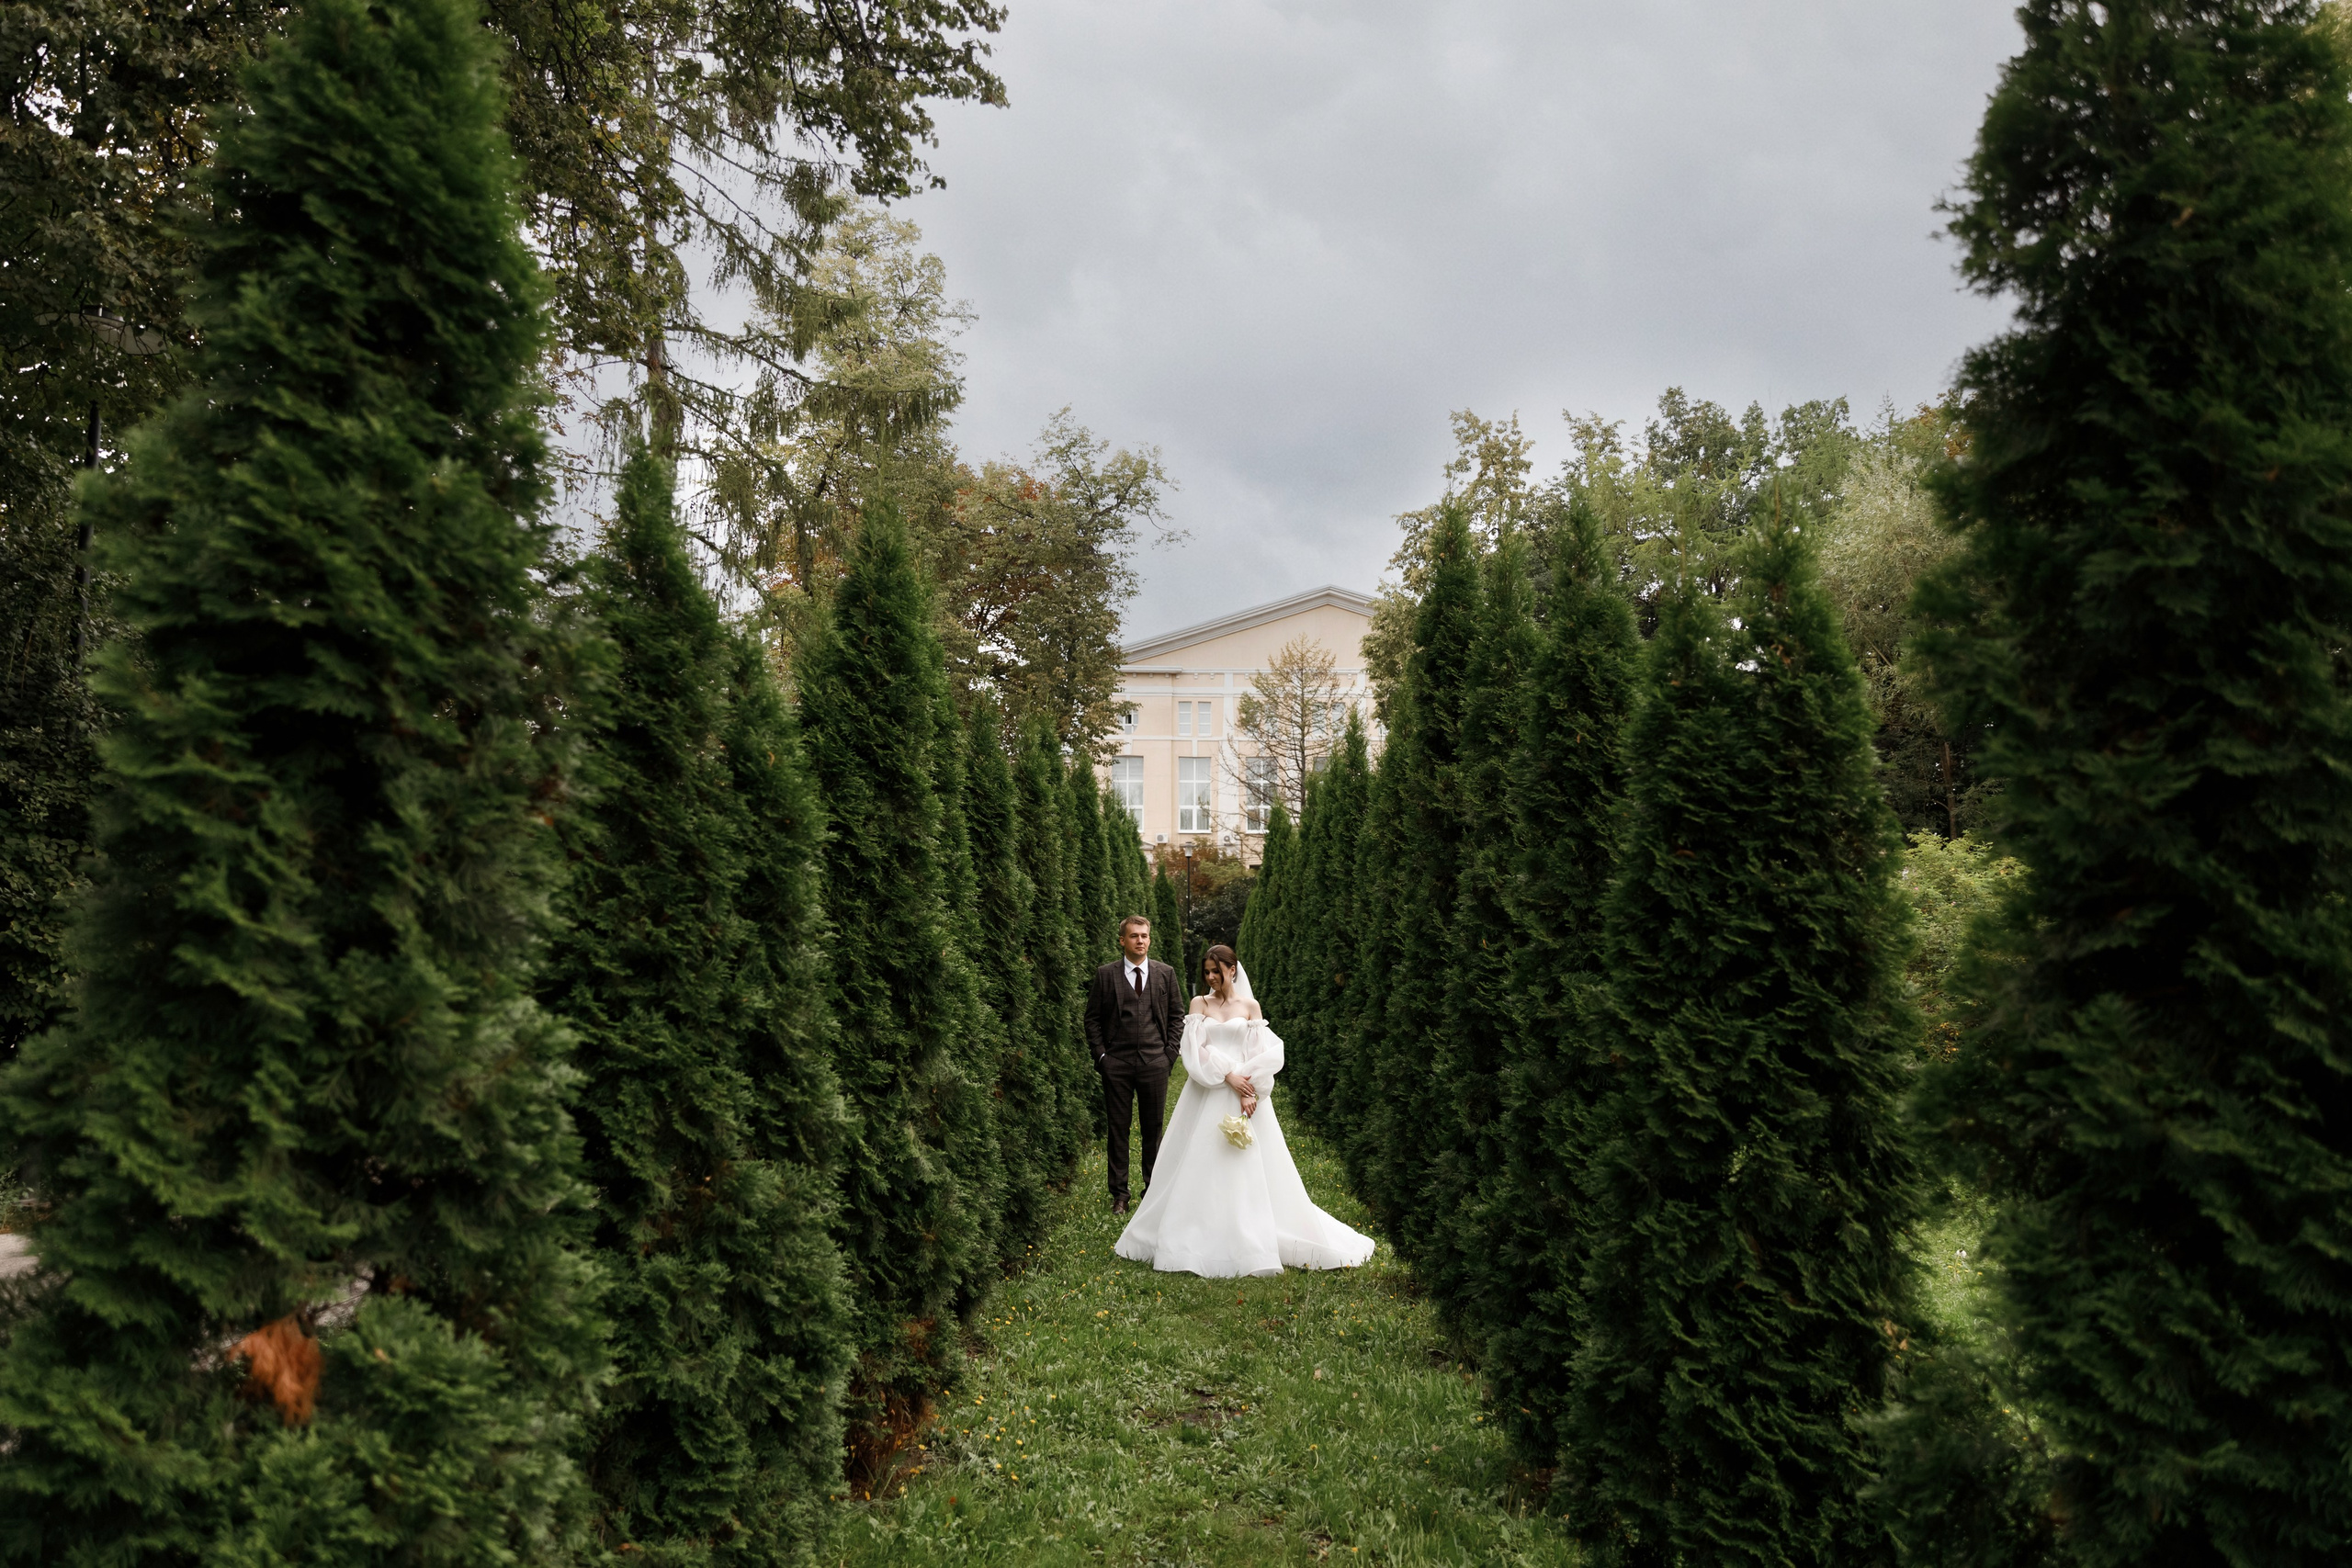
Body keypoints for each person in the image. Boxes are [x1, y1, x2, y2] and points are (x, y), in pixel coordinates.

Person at [1113, 942, 1375, 1277]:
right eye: (1206, 972)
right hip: (1206, 1090)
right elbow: (1195, 1052)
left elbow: (1260, 1053)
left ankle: (1249, 1234)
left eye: (1216, 972)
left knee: (1246, 1165)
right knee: (1197, 1161)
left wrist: (1249, 1090)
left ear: (1232, 970)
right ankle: (1193, 1233)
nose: (1211, 978)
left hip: (1243, 1095)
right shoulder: (1199, 1003)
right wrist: (1229, 1075)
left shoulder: (1250, 1007)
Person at [1083, 914, 1186, 1214]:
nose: (1140, 940)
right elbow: (1092, 1019)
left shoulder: (1165, 974)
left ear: (1149, 939)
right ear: (1122, 941)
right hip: (1116, 1063)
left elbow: (1177, 1017)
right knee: (1118, 1129)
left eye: (1144, 935)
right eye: (1134, 936)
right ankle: (1120, 1195)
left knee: (1153, 1128)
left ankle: (1152, 1189)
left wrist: (1169, 1055)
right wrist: (1102, 1056)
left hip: (1155, 1062)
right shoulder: (1106, 975)